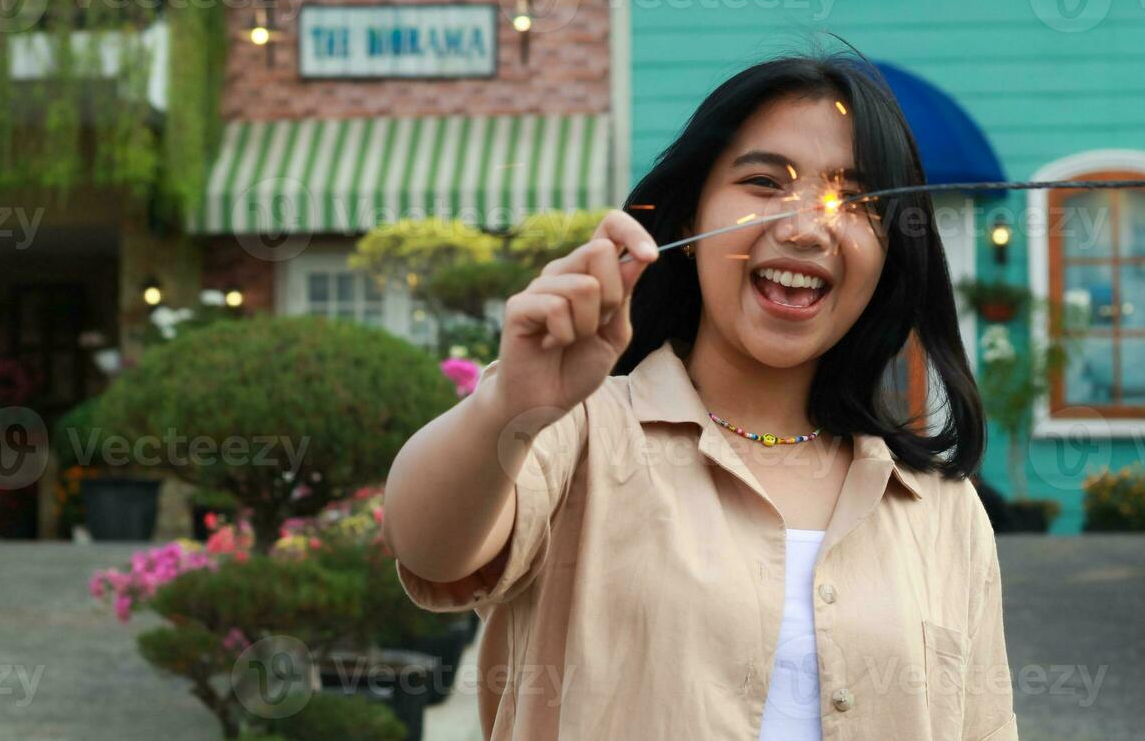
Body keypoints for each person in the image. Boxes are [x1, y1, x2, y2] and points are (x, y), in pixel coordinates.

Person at [383, 47, 1019, 740]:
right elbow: (427, 547)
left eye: (855, 199)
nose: (807, 227)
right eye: (764, 182)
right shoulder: (579, 436)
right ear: (688, 225)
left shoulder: (941, 508)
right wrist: (508, 408)